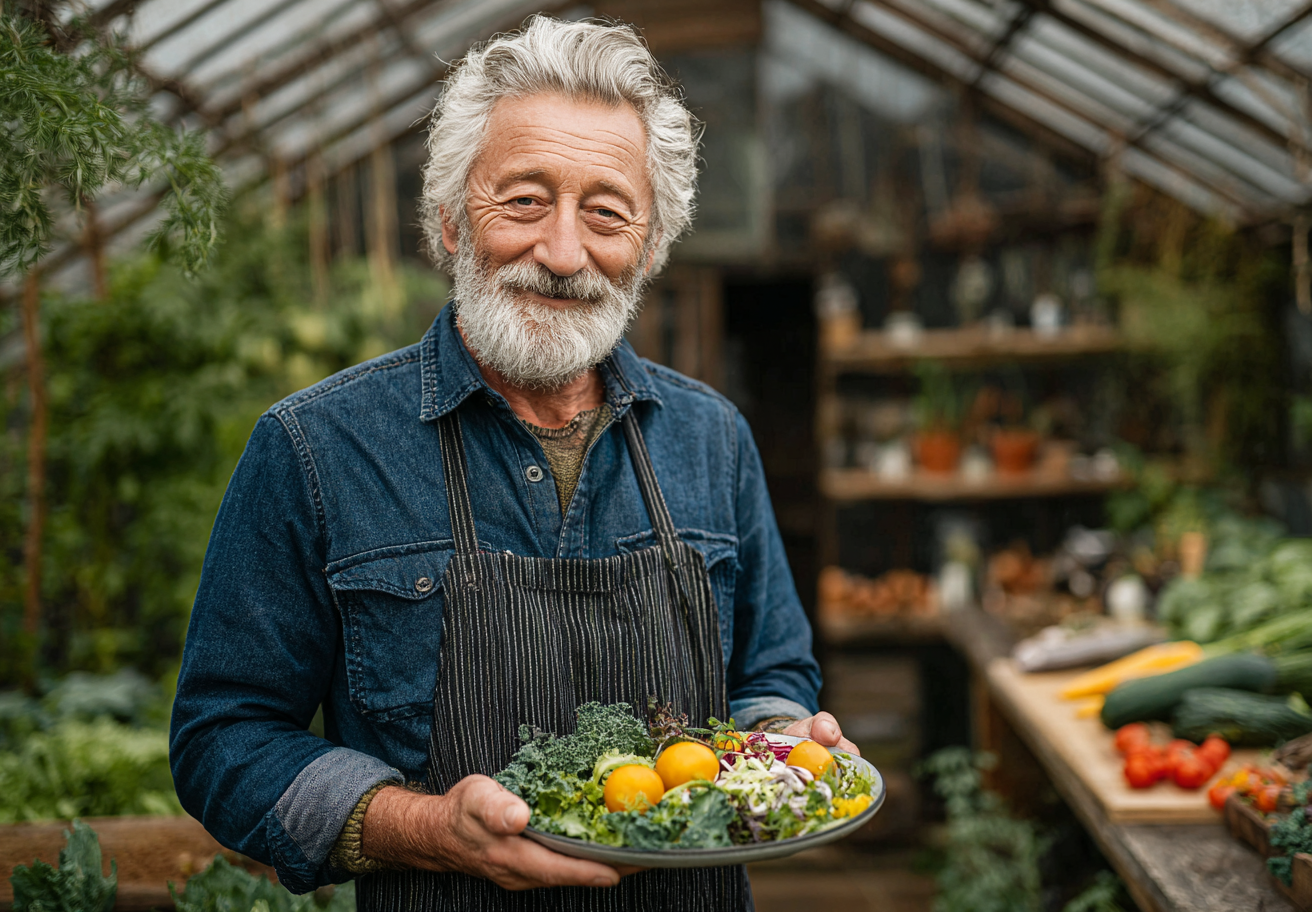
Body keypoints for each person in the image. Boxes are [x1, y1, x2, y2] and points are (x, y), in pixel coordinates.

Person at [170, 15, 856, 911]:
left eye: (607, 213)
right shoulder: (317, 448)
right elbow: (226, 739)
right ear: (453, 222)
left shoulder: (711, 437)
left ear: (647, 249)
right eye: (525, 200)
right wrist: (422, 828)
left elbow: (772, 670)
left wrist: (783, 742)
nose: (564, 253)